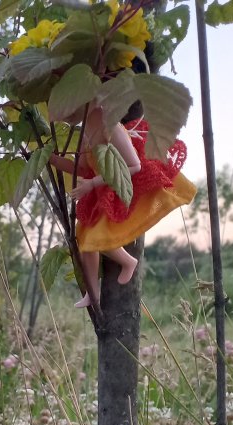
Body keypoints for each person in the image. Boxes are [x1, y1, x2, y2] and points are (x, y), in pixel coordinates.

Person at [49, 103, 196, 307]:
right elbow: (82, 169)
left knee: (93, 238)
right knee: (85, 242)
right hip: (101, 189)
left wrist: (92, 183)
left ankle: (125, 263)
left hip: (120, 186)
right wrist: (52, 159)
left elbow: (134, 166)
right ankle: (94, 291)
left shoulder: (112, 128)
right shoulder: (85, 135)